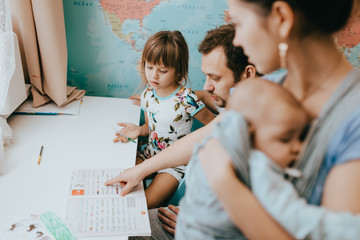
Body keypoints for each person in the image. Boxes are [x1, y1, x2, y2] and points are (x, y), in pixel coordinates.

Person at [197, 0, 360, 239]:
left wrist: (226, 188)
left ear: (281, 18)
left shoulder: (353, 122)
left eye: (240, 23)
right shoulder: (270, 88)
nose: (238, 40)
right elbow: (205, 140)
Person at [176, 77, 308, 239]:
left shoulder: (211, 148)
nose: (298, 148)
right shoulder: (258, 167)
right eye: (285, 139)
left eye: (216, 77)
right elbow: (300, 219)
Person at [113, 30, 215, 209]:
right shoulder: (147, 95)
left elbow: (214, 127)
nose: (154, 76)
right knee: (117, 179)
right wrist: (139, 130)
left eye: (162, 70)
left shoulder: (187, 98)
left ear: (178, 71)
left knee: (144, 205)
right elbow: (149, 127)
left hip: (174, 165)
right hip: (150, 153)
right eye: (149, 67)